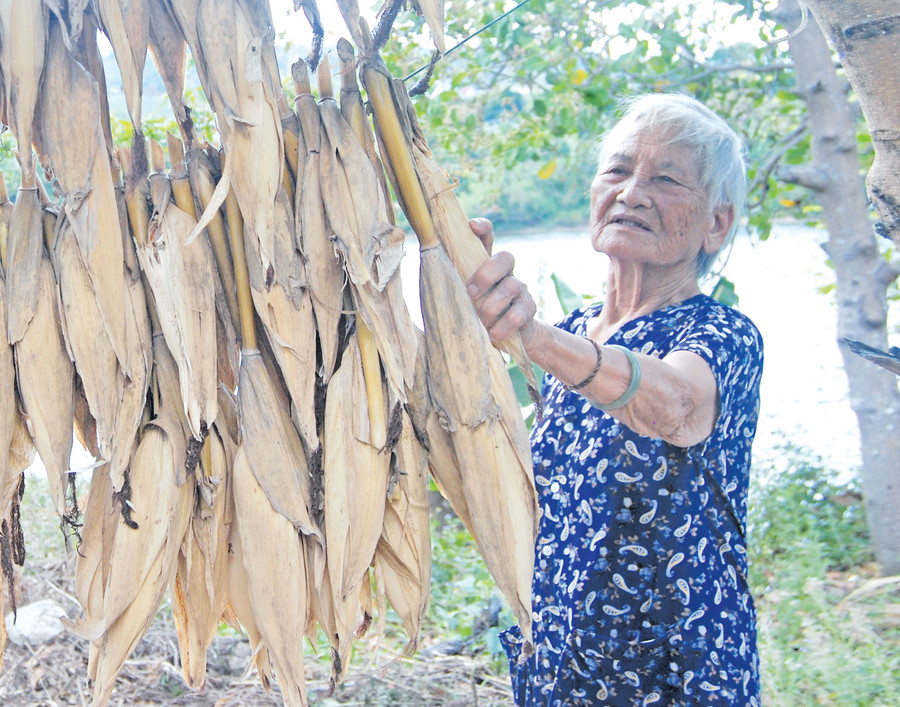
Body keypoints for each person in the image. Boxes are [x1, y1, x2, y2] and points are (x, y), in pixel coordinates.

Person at [466, 93, 763, 706]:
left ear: (716, 224)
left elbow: (674, 404)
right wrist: (455, 291)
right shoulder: (575, 331)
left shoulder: (720, 335)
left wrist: (530, 335)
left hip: (674, 676)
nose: (632, 193)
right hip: (558, 666)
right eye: (618, 171)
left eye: (668, 179)